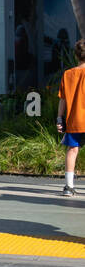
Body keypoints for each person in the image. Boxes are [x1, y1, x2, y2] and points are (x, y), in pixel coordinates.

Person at [56, 39, 85, 196]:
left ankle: (68, 186)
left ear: (76, 55)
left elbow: (63, 99)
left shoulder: (68, 75)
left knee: (72, 150)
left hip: (74, 120)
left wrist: (60, 118)